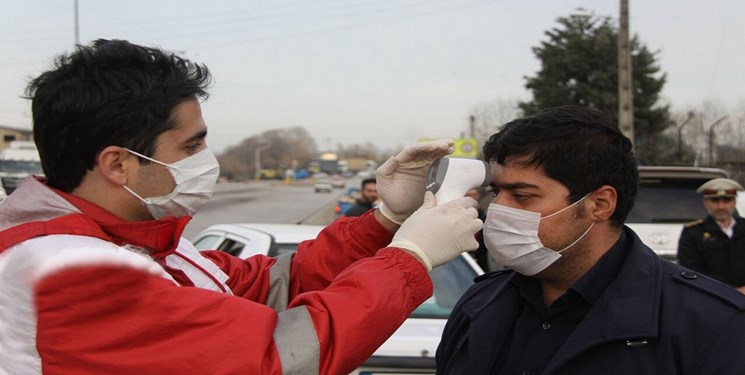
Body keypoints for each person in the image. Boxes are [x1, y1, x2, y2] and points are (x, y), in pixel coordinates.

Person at [0, 39, 483, 374]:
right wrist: (411, 258)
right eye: (190, 147)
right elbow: (275, 358)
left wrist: (385, 221)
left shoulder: (141, 243)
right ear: (118, 165)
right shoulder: (66, 269)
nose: (203, 161)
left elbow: (269, 287)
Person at [436, 105, 745, 374]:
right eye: (496, 193)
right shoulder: (479, 304)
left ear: (600, 204)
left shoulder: (711, 324)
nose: (498, 209)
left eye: (522, 196)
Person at [678, 177, 745, 293]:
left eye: (726, 200)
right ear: (705, 202)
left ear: (734, 202)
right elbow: (691, 269)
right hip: (712, 297)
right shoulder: (693, 233)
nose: (721, 206)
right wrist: (731, 290)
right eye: (715, 200)